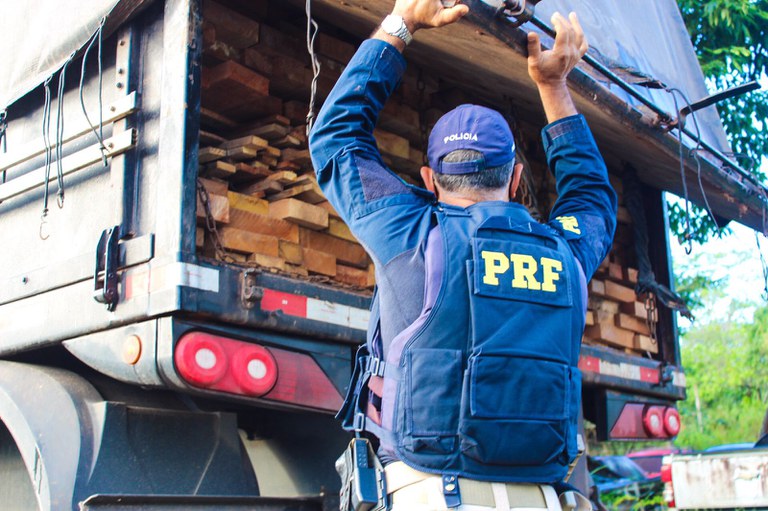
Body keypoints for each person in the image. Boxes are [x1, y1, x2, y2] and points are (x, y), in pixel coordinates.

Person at [309, 0, 617, 509]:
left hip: (425, 493)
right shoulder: (566, 254)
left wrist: (402, 21)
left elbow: (336, 140)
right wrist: (553, 86)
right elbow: (590, 196)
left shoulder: (411, 233)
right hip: (541, 498)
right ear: (517, 180)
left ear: (429, 181)